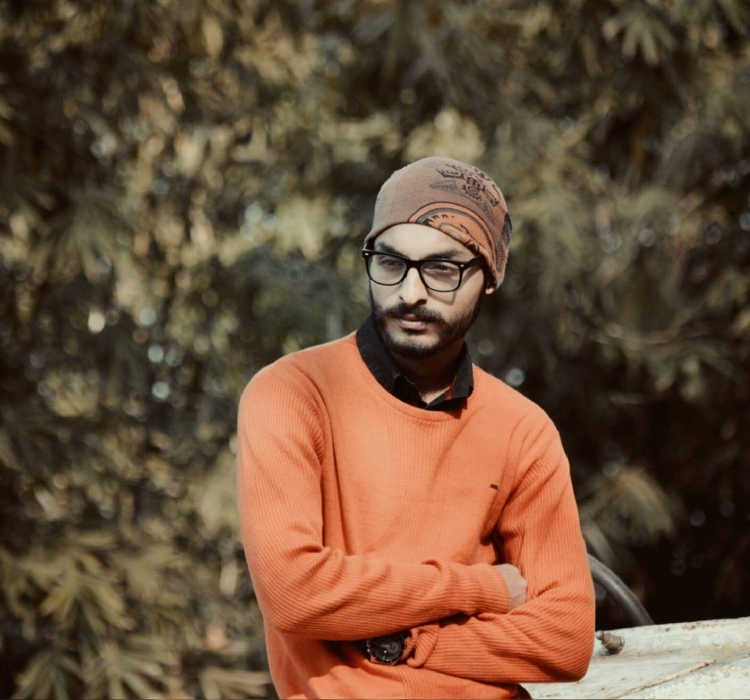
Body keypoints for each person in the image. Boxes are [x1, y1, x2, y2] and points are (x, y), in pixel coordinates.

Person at [236, 156, 595, 699]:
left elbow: (565, 639)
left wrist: (407, 642)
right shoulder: (292, 393)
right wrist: (482, 588)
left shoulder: (523, 430)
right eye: (390, 262)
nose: (409, 293)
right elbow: (295, 593)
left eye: (442, 269)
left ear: (489, 278)